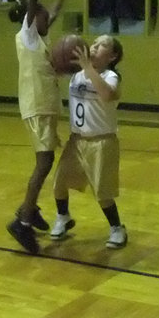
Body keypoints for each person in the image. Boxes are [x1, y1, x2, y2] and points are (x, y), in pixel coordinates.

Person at [6, 0, 76, 254]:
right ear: (34, 18)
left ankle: (29, 210)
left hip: (45, 107)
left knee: (45, 161)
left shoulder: (42, 41)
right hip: (35, 107)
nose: (49, 20)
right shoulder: (28, 34)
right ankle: (22, 219)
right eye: (44, 16)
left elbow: (54, 10)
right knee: (44, 162)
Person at [49, 35, 127, 248]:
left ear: (112, 56)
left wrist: (87, 67)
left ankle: (117, 228)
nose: (94, 47)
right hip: (77, 141)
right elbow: (51, 70)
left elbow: (107, 94)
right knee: (59, 183)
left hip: (102, 142)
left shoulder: (111, 76)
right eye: (93, 43)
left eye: (102, 45)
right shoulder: (77, 74)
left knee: (103, 193)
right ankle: (63, 217)